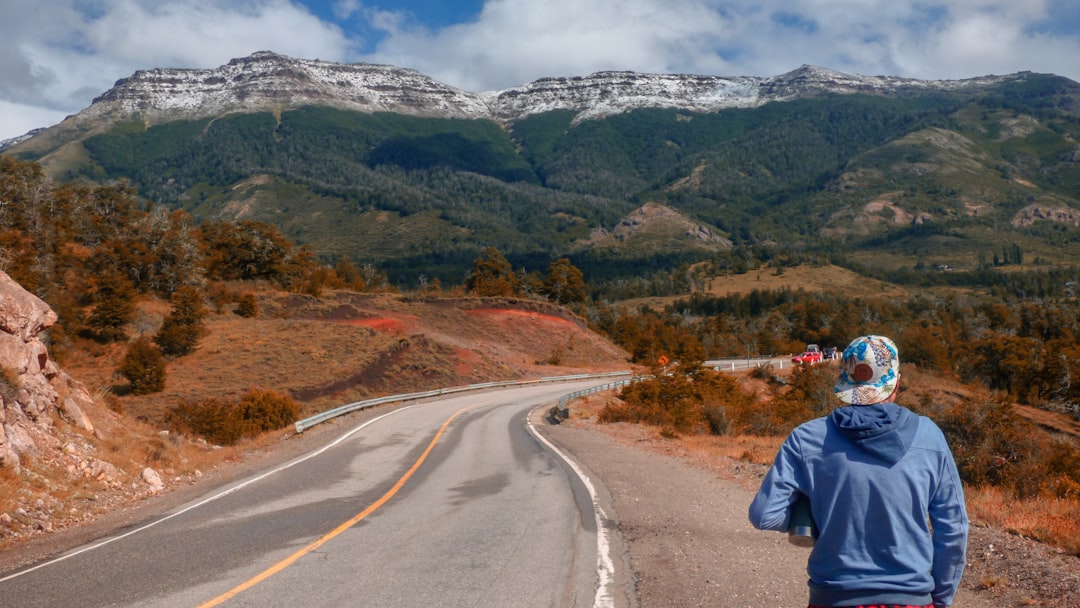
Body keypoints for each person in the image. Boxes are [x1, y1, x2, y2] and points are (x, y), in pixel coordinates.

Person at [748, 335, 968, 608]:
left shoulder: (806, 438)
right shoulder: (929, 436)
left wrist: (812, 517)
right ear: (896, 381)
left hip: (832, 598)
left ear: (845, 380)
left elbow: (764, 516)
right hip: (911, 599)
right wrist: (941, 599)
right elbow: (954, 529)